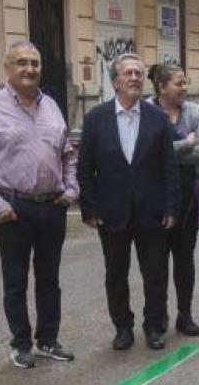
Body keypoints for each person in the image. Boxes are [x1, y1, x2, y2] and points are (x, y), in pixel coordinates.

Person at [0, 41, 78, 369]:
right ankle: (21, 343)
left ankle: (48, 340)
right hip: (13, 209)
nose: (29, 69)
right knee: (15, 280)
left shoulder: (52, 106)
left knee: (49, 279)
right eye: (21, 63)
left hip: (52, 206)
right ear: (7, 68)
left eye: (34, 63)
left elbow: (68, 153)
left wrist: (70, 191)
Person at [77, 54, 180, 351]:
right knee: (116, 274)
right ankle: (123, 327)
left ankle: (154, 326)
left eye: (139, 73)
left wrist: (172, 207)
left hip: (152, 212)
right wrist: (90, 209)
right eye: (128, 73)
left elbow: (169, 168)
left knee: (155, 273)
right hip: (112, 214)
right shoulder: (96, 119)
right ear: (115, 82)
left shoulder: (157, 118)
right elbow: (85, 169)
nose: (135, 78)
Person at [150, 63, 199, 336]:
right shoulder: (148, 113)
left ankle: (184, 315)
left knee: (184, 261)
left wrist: (169, 154)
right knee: (156, 263)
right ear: (162, 87)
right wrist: (184, 145)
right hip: (156, 201)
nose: (185, 87)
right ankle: (159, 316)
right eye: (179, 82)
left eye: (185, 82)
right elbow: (146, 153)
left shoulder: (195, 112)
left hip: (187, 201)